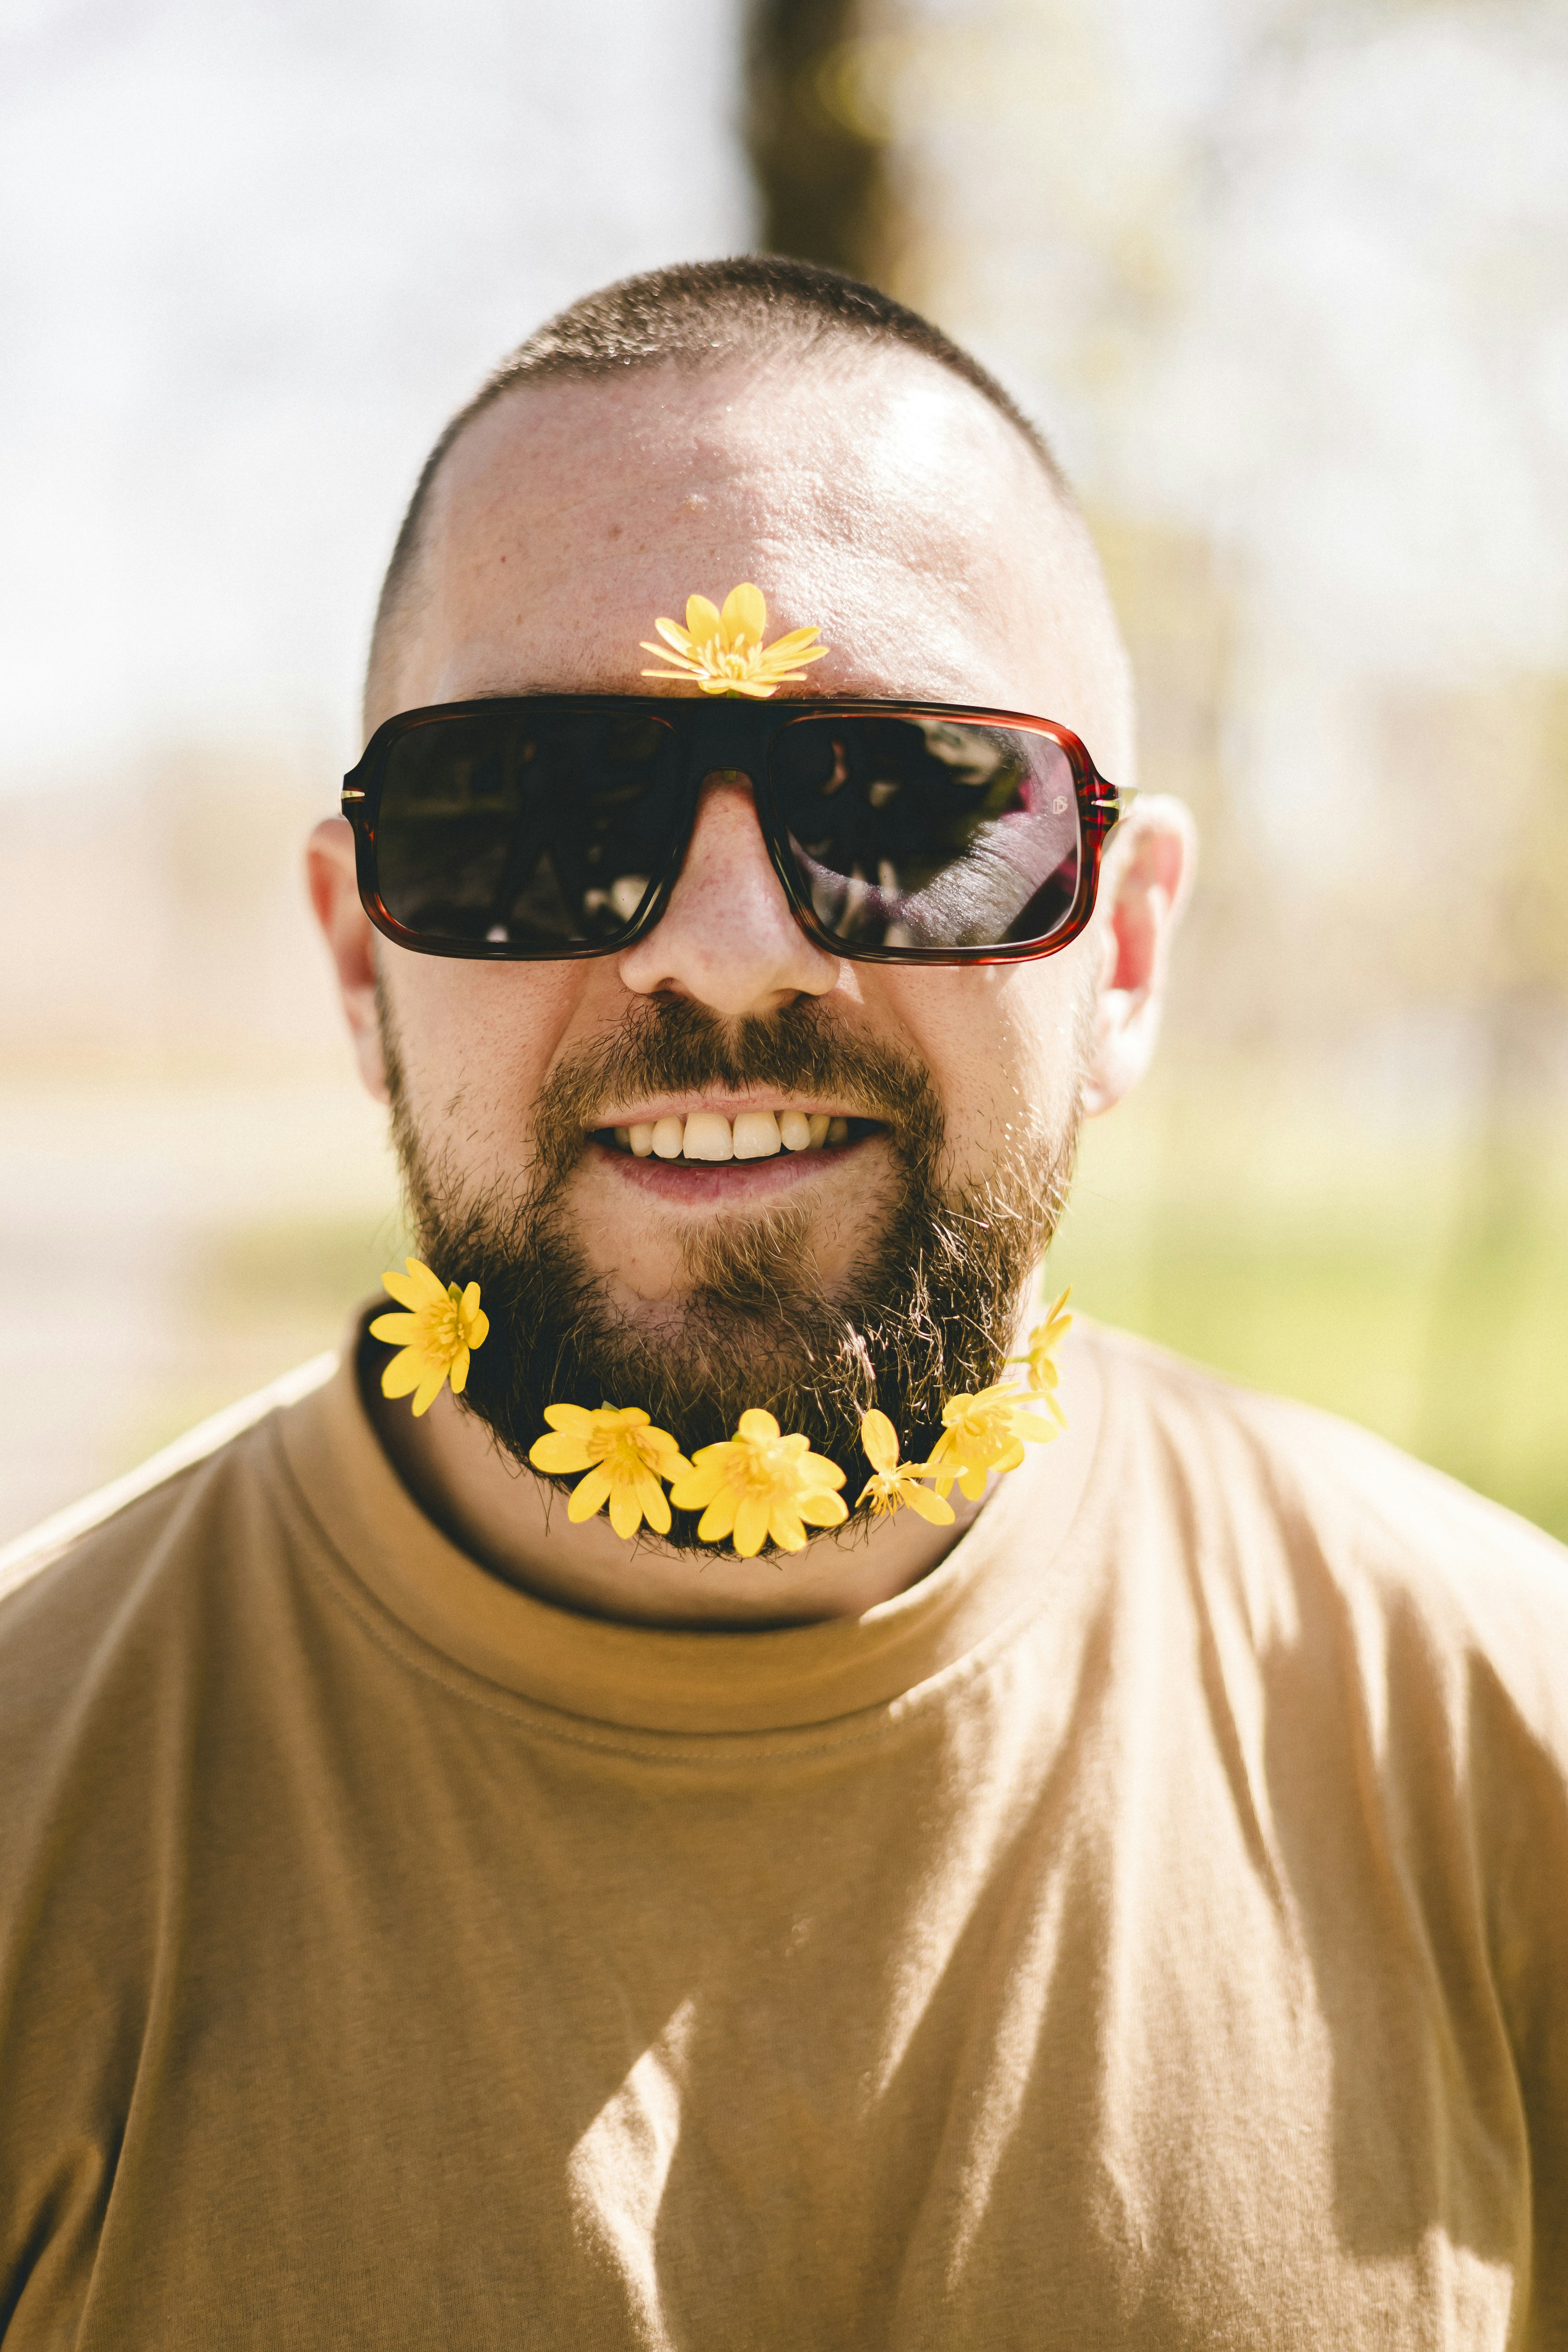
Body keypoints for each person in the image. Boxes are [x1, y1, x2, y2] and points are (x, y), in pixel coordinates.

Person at [2, 257, 1565, 2351]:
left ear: (1121, 955)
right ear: (359, 961)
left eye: (911, 801)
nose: (725, 956)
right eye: (542, 808)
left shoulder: (1514, 1750)